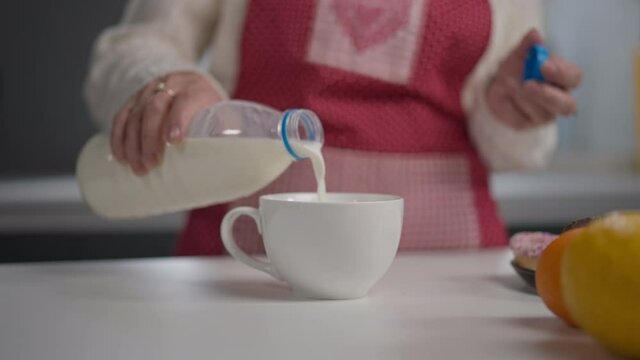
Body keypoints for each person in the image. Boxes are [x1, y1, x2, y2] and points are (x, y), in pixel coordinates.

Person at [85, 0, 582, 255]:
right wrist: (169, 83)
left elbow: (517, 151)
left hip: (449, 279)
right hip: (245, 272)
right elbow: (132, 46)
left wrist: (508, 110)